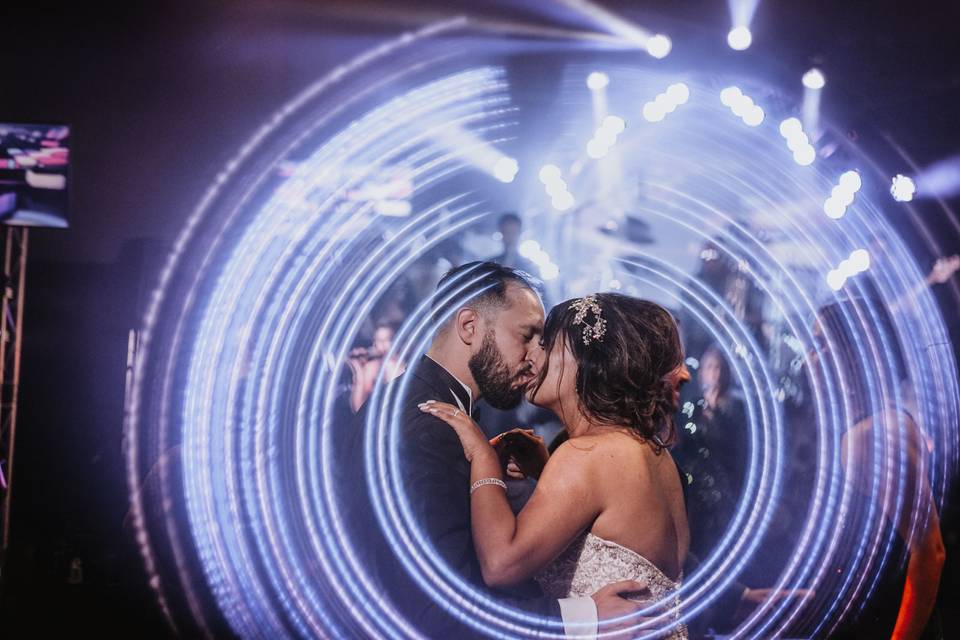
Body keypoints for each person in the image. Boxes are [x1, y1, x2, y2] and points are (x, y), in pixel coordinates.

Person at [338, 263, 646, 639]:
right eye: (526, 336)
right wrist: (581, 617)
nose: (536, 357)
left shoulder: (425, 406)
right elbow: (435, 610)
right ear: (469, 326)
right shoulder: (428, 425)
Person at [422, 292, 692, 638]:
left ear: (587, 361)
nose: (532, 356)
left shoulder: (587, 455)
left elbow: (501, 565)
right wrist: (543, 471)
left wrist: (484, 460)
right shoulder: (650, 452)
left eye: (546, 344)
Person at [811, 298, 945, 639]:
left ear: (854, 351)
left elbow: (929, 554)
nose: (812, 357)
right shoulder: (862, 428)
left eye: (822, 343)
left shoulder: (874, 435)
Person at [346, 319, 405, 412]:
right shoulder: (371, 368)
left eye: (386, 340)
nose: (380, 345)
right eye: (377, 340)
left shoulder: (410, 366)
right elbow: (357, 408)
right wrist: (358, 371)